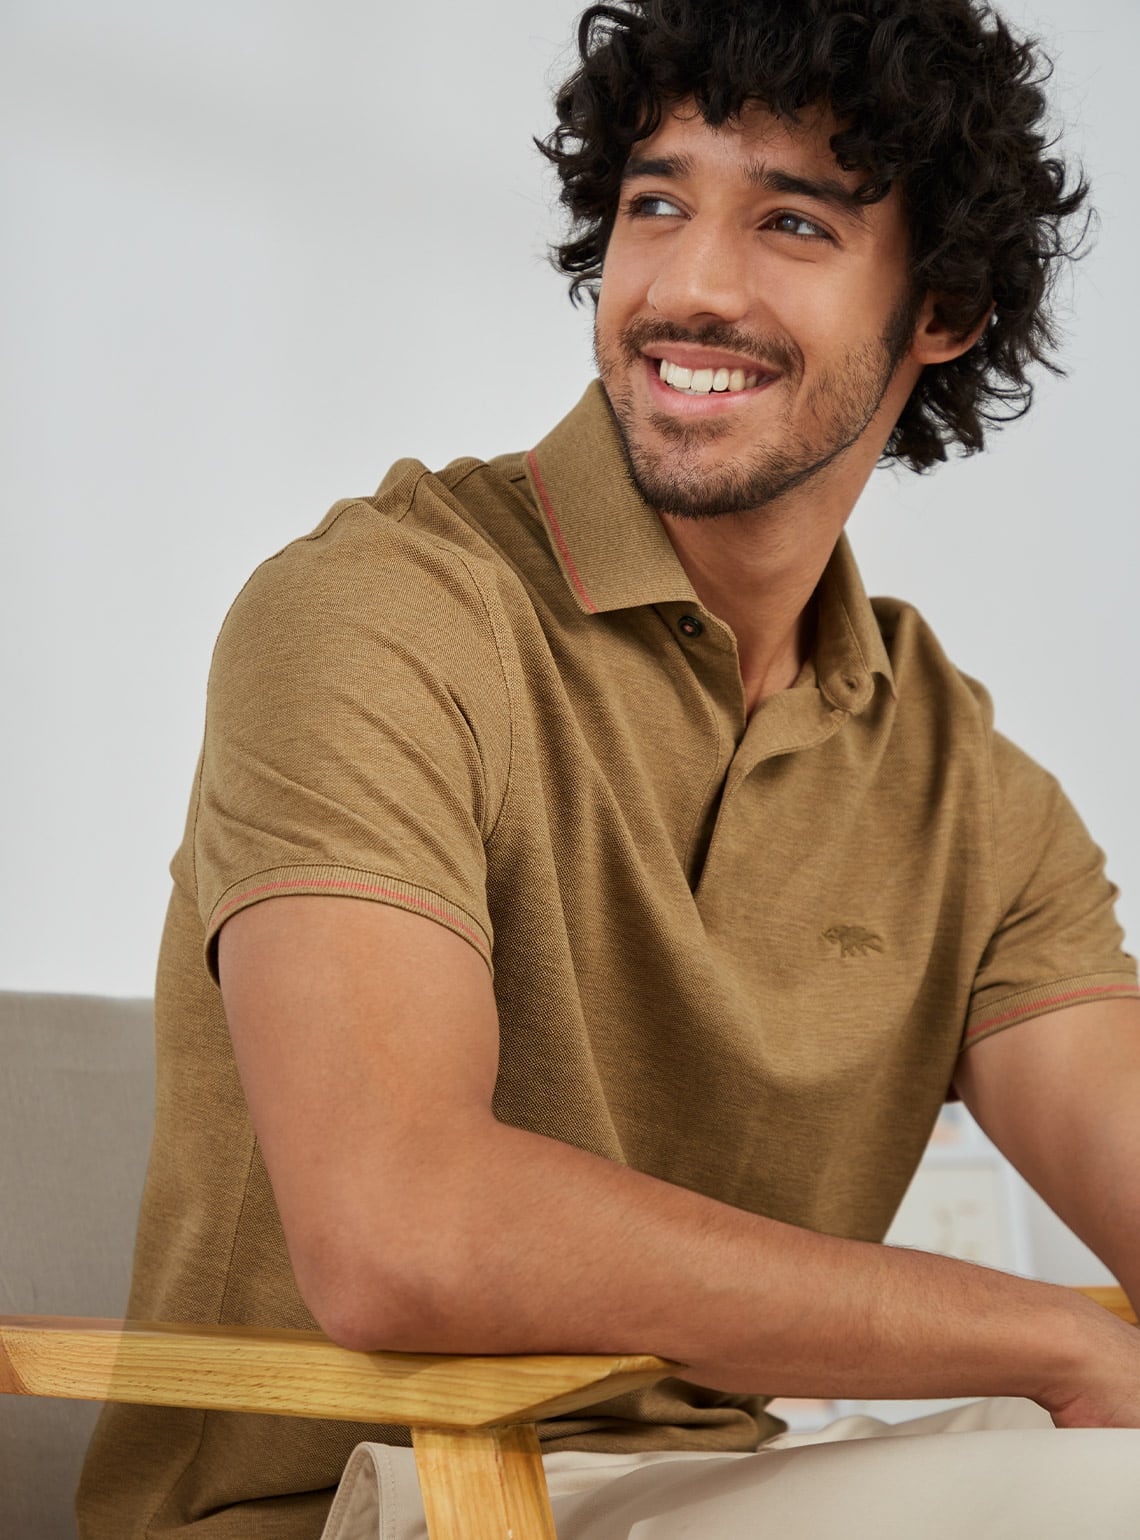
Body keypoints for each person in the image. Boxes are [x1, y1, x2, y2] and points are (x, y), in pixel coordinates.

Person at [78, 0, 1140, 1535]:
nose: (690, 285)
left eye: (792, 221)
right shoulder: (380, 612)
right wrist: (1042, 1336)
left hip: (718, 1488)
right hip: (380, 1498)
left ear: (946, 306)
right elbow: (400, 1233)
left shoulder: (964, 783)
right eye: (656, 203)